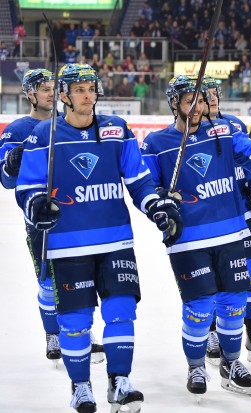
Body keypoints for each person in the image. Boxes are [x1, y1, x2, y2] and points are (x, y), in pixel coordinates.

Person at [15, 63, 183, 413]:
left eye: (90, 87)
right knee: (76, 322)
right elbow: (27, 187)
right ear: (64, 96)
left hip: (115, 240)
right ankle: (80, 387)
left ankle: (120, 380)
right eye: (78, 89)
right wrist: (36, 204)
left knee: (122, 312)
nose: (87, 94)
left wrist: (155, 206)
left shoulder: (115, 129)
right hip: (66, 245)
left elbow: (138, 179)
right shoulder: (43, 135)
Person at [140, 74, 251, 396]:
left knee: (233, 304)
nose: (199, 107)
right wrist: (159, 204)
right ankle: (197, 366)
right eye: (191, 101)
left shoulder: (225, 131)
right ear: (175, 104)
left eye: (202, 100)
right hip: (188, 240)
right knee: (200, 308)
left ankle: (231, 362)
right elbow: (146, 186)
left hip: (231, 232)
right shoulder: (156, 144)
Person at [0, 68, 106, 365]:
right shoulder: (17, 130)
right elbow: (7, 181)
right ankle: (53, 334)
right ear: (30, 94)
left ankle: (81, 331)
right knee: (49, 282)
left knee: (83, 279)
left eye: (53, 88)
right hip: (41, 220)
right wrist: (12, 160)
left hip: (77, 216)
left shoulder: (69, 124)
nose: (50, 93)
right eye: (44, 88)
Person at [201, 76, 251, 367]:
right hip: (208, 219)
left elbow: (248, 163)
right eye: (203, 94)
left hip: (241, 214)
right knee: (209, 278)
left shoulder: (233, 124)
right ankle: (210, 332)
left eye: (214, 94)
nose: (210, 99)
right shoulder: (191, 131)